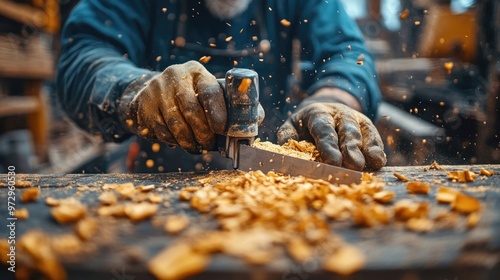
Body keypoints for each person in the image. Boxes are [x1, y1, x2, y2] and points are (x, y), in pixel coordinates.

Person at [57, 0, 386, 173]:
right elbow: (84, 54)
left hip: (272, 176)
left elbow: (347, 55)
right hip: (161, 180)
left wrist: (332, 100)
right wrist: (135, 91)